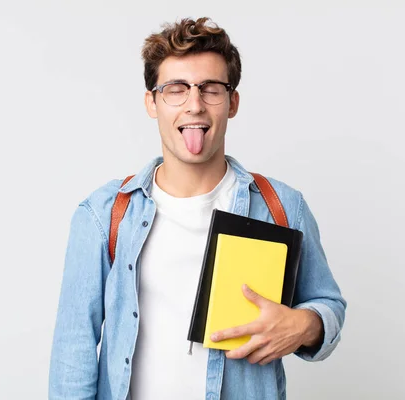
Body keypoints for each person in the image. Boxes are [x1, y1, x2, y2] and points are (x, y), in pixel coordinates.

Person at [48, 17, 346, 400]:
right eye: (176, 89)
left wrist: (306, 325)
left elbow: (328, 303)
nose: (194, 105)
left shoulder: (281, 206)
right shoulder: (103, 215)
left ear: (232, 102)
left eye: (210, 89)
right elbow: (73, 353)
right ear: (151, 103)